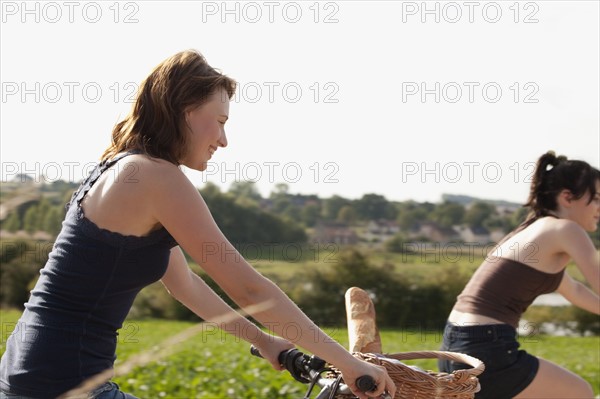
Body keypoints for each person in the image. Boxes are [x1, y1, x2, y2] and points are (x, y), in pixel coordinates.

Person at [0, 50, 396, 399]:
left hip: (34, 372)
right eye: (219, 121)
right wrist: (349, 363)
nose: (223, 140)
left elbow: (184, 284)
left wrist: (265, 341)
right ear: (185, 110)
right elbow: (249, 287)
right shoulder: (155, 176)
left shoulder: (128, 168)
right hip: (62, 382)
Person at [439, 151, 600, 399]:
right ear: (567, 197)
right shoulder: (566, 229)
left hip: (456, 347)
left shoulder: (533, 230)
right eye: (597, 198)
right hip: (486, 349)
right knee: (580, 393)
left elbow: (575, 290)